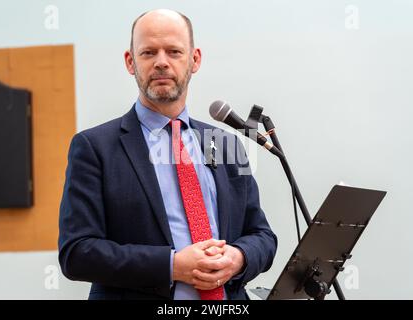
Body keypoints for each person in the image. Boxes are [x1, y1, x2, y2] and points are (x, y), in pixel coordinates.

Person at [58, 8, 277, 300]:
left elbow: (261, 236)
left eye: (174, 51)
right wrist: (171, 265)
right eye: (149, 53)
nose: (161, 63)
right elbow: (77, 252)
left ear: (194, 60)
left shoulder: (226, 144)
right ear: (130, 62)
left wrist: (238, 258)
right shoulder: (94, 148)